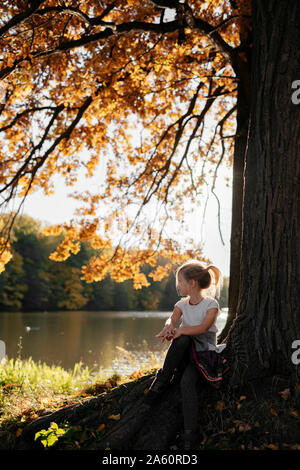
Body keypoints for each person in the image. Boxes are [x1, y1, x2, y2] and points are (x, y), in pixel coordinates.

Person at [144, 260, 230, 450]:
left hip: (202, 357)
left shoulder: (211, 304)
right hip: (184, 355)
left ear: (192, 283)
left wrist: (181, 331)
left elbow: (204, 328)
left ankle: (190, 434)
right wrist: (169, 327)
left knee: (187, 383)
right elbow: (172, 318)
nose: (178, 286)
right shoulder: (182, 304)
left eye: (180, 282)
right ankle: (162, 380)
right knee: (181, 340)